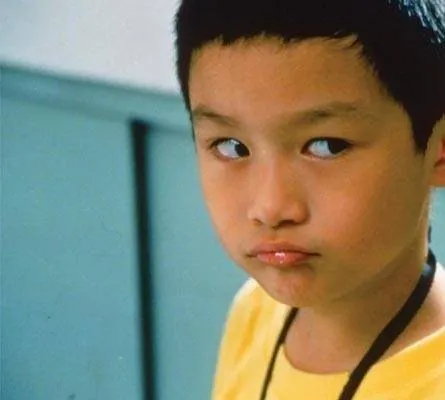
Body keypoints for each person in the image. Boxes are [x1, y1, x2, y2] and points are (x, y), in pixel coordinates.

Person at [174, 1, 445, 398]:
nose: (270, 208)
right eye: (231, 147)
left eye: (327, 146)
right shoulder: (255, 313)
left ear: (439, 149)